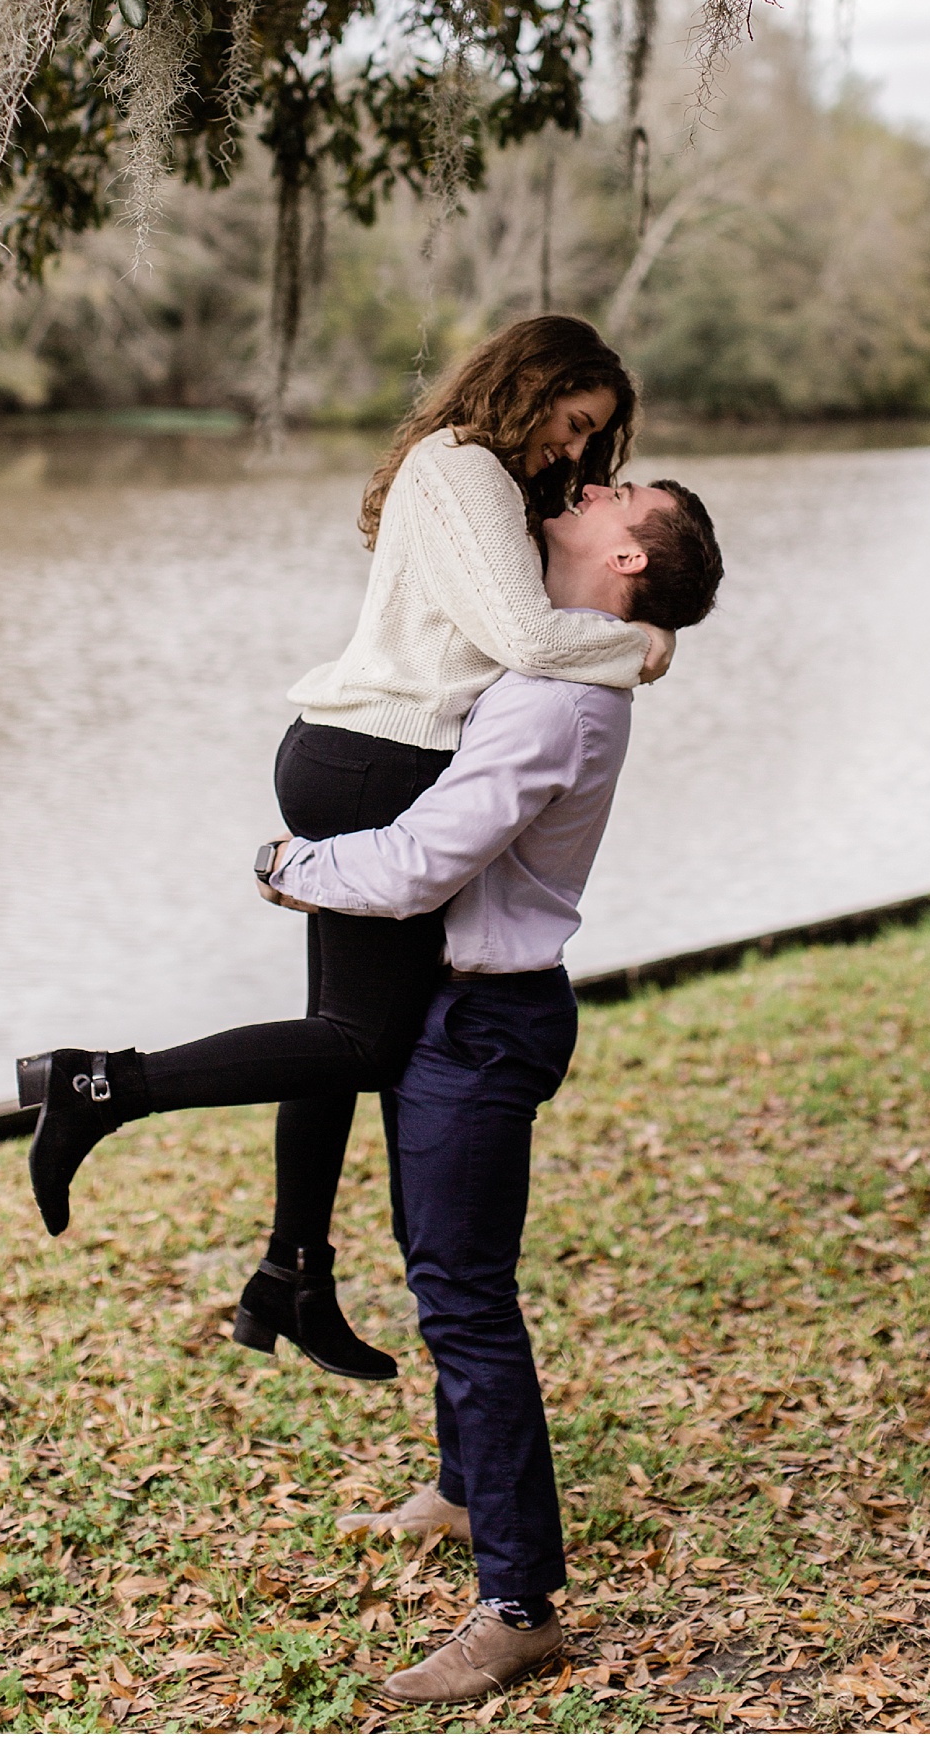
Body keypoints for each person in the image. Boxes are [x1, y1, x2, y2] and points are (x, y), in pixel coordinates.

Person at [16, 317, 675, 1379]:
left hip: (370, 756)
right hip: (378, 760)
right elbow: (528, 642)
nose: (571, 448)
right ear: (533, 382)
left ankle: (292, 1272)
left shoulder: (487, 477)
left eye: (589, 436)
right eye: (572, 421)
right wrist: (644, 643)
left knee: (338, 1034)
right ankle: (99, 1086)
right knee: (365, 1044)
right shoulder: (458, 468)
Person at [255, 476, 724, 1706]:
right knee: (438, 1265)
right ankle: (466, 1492)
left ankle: (518, 1606)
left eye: (621, 487)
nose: (592, 479)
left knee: (468, 1300)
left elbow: (421, 862)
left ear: (625, 552)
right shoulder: (562, 661)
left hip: (485, 1020)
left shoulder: (563, 703)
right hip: (460, 1010)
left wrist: (289, 863)